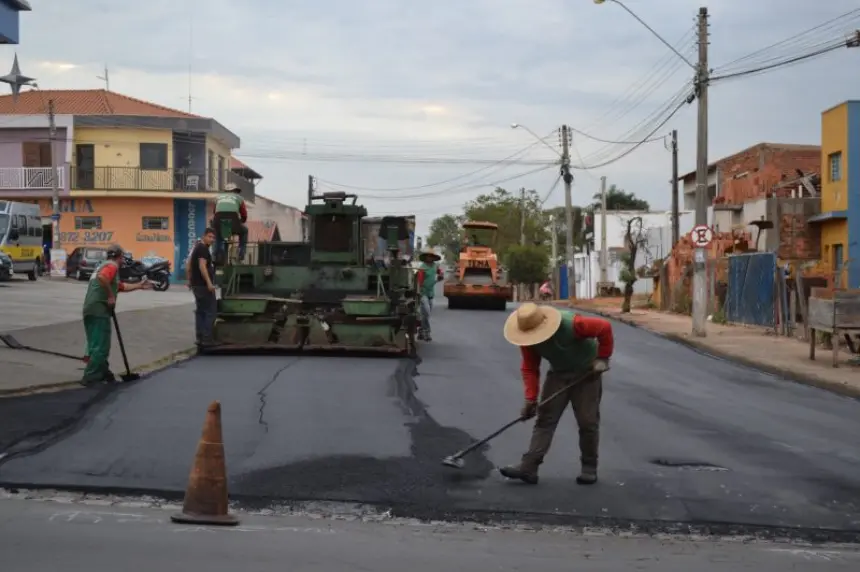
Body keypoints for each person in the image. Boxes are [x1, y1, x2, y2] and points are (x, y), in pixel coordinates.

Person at [499, 302, 614, 485]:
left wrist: (602, 358)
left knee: (587, 421)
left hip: (586, 373)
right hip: (558, 374)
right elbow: (530, 368)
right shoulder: (528, 339)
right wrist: (530, 399)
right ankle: (529, 467)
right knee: (545, 419)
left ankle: (589, 467)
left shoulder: (573, 324)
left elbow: (604, 327)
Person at [80, 244, 151, 385]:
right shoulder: (112, 266)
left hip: (91, 309)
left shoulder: (103, 265)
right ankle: (91, 377)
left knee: (97, 343)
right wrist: (110, 296)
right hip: (99, 310)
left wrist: (139, 285)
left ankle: (103, 372)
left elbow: (120, 286)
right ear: (119, 257)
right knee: (100, 345)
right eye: (122, 258)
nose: (123, 261)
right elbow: (102, 278)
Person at [189, 228, 218, 345]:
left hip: (197, 285)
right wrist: (209, 283)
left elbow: (189, 265)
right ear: (204, 236)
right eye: (210, 237)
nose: (212, 240)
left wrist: (190, 281)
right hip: (203, 286)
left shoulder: (197, 247)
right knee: (210, 311)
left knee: (200, 311)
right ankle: (207, 339)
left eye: (213, 238)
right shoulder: (202, 249)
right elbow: (202, 266)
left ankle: (200, 338)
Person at [213, 182, 248, 261]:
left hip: (218, 221)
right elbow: (244, 214)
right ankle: (241, 253)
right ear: (235, 191)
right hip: (233, 224)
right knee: (245, 231)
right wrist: (242, 221)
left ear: (225, 191)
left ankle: (215, 256)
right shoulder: (239, 198)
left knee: (218, 235)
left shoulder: (218, 197)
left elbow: (214, 212)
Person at [415, 248, 441, 341]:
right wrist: (418, 292)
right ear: (425, 257)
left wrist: (440, 277)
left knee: (425, 315)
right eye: (428, 256)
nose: (430, 258)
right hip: (423, 293)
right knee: (427, 312)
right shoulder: (422, 268)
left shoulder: (435, 266)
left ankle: (421, 331)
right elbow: (419, 281)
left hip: (431, 293)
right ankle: (427, 332)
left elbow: (439, 273)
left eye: (431, 256)